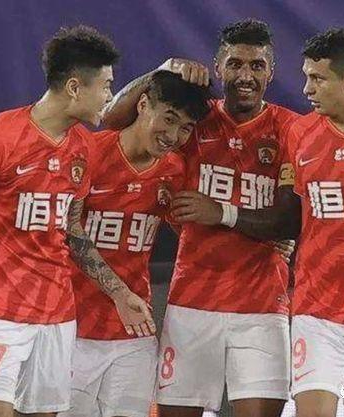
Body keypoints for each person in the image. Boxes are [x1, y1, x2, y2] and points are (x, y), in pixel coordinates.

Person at [172, 28, 344, 417]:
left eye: (317, 78)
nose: (306, 88)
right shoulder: (299, 133)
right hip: (316, 311)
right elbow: (287, 214)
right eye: (306, 76)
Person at [0, 25, 152, 417]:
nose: (109, 97)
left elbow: (72, 231)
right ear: (74, 87)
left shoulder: (83, 148)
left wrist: (119, 292)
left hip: (56, 314)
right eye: (105, 86)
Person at [105, 19, 298, 417]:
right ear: (217, 67)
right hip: (192, 301)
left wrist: (221, 213)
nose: (245, 76)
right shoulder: (194, 119)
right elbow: (111, 119)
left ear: (271, 72)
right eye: (235, 64)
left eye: (257, 66)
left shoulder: (291, 129)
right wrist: (161, 71)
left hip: (263, 306)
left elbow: (287, 219)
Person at [60, 70, 211, 417]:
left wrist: (262, 239)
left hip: (134, 334)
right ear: (143, 104)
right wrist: (118, 293)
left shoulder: (175, 171)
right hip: (72, 328)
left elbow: (193, 234)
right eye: (168, 119)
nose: (173, 136)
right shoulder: (89, 154)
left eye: (186, 128)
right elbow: (67, 230)